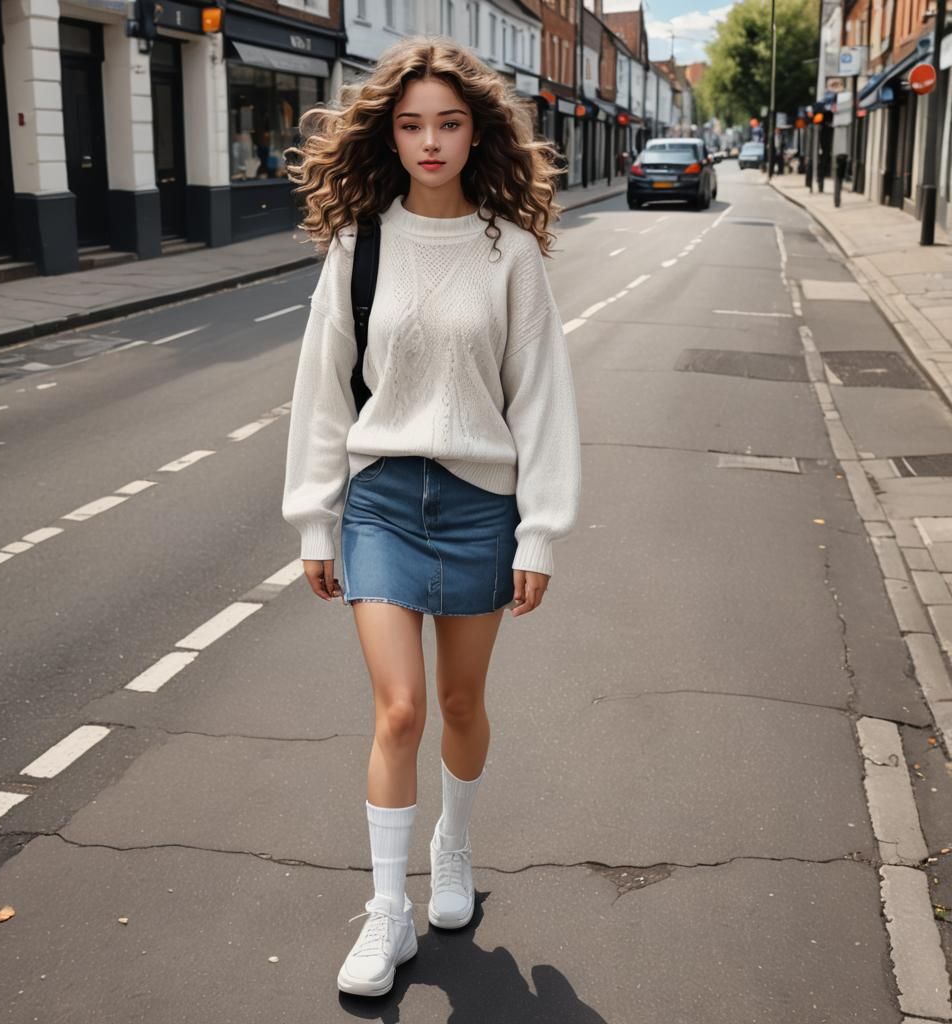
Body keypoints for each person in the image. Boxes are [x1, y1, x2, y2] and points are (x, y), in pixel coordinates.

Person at [281, 36, 581, 998]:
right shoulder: (358, 244)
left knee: (459, 704)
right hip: (382, 504)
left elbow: (539, 398)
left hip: (478, 505)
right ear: (390, 135)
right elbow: (324, 392)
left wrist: (540, 529)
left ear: (477, 130)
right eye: (412, 124)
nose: (431, 141)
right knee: (400, 709)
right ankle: (387, 912)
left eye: (449, 122)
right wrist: (315, 519)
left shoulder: (511, 251)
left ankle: (454, 847)